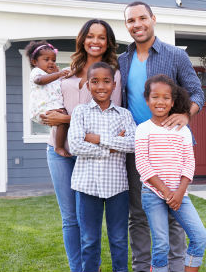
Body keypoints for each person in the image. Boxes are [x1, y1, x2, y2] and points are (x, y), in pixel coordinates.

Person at [118, 1, 204, 272]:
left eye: (142, 18)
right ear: (127, 26)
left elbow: (197, 92)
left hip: (169, 146)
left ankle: (176, 267)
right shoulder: (122, 60)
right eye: (131, 20)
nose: (137, 24)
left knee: (174, 212)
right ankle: (145, 268)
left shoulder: (175, 55)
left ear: (153, 19)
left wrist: (186, 115)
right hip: (137, 146)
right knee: (138, 214)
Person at [41, 19, 122, 272]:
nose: (95, 41)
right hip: (57, 150)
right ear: (82, 39)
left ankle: (90, 265)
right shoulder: (68, 69)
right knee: (69, 219)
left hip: (88, 153)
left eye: (101, 37)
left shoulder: (111, 74)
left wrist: (63, 118)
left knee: (87, 221)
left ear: (108, 42)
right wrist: (48, 114)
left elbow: (108, 117)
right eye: (90, 36)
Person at [135, 75, 206, 272]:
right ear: (147, 99)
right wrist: (167, 193)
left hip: (180, 194)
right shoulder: (143, 129)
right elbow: (142, 164)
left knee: (200, 236)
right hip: (153, 193)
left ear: (173, 101)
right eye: (155, 97)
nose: (160, 102)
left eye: (166, 98)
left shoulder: (182, 130)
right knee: (161, 244)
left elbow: (189, 163)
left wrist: (179, 192)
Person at [68, 62, 136, 272]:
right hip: (87, 185)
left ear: (114, 85)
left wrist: (96, 138)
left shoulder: (123, 114)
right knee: (89, 240)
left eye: (106, 81)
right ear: (88, 85)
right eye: (95, 81)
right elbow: (75, 145)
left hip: (117, 186)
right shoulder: (80, 112)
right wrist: (113, 145)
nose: (101, 86)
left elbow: (133, 143)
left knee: (118, 239)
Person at [26, 40, 71, 157]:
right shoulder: (37, 72)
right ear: (35, 61)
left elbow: (60, 81)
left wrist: (59, 74)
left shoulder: (53, 75)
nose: (51, 62)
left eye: (53, 60)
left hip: (52, 107)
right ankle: (59, 147)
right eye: (46, 60)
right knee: (63, 120)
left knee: (63, 120)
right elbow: (39, 80)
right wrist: (58, 74)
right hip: (42, 108)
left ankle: (59, 145)